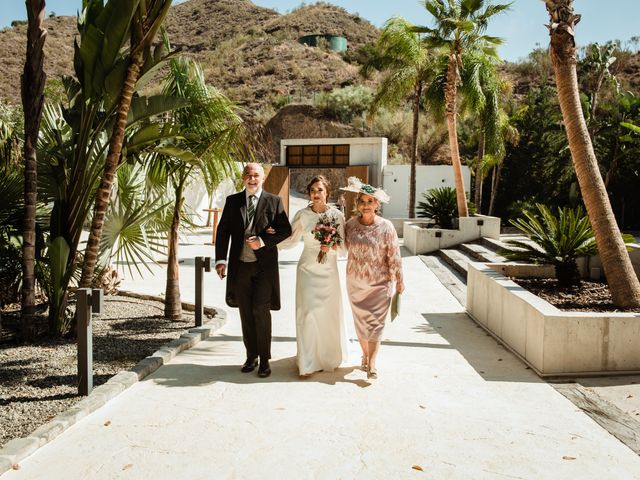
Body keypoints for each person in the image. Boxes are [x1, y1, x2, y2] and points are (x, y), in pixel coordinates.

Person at [215, 163, 292, 378]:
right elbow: (223, 232)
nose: (252, 179)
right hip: (240, 267)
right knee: (246, 313)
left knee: (261, 311)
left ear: (263, 178)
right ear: (242, 178)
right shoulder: (232, 202)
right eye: (248, 175)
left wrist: (264, 240)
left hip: (264, 269)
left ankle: (265, 360)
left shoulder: (274, 201)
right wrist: (221, 260)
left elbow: (285, 229)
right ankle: (251, 356)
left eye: (256, 175)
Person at [279, 175, 348, 376]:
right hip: (307, 269)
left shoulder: (337, 216)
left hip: (329, 271)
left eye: (320, 190)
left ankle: (327, 357)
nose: (316, 194)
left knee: (327, 314)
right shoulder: (302, 214)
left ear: (327, 192)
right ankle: (307, 361)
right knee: (307, 313)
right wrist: (267, 243)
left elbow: (343, 247)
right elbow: (290, 239)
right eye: (313, 190)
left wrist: (331, 245)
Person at [341, 177, 404, 379]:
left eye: (370, 201)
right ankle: (365, 356)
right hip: (356, 283)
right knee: (361, 323)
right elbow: (341, 248)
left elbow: (394, 255)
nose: (366, 205)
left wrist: (400, 280)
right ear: (357, 204)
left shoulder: (387, 227)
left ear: (377, 204)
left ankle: (372, 362)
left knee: (376, 324)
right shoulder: (349, 225)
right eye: (362, 201)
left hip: (380, 283)